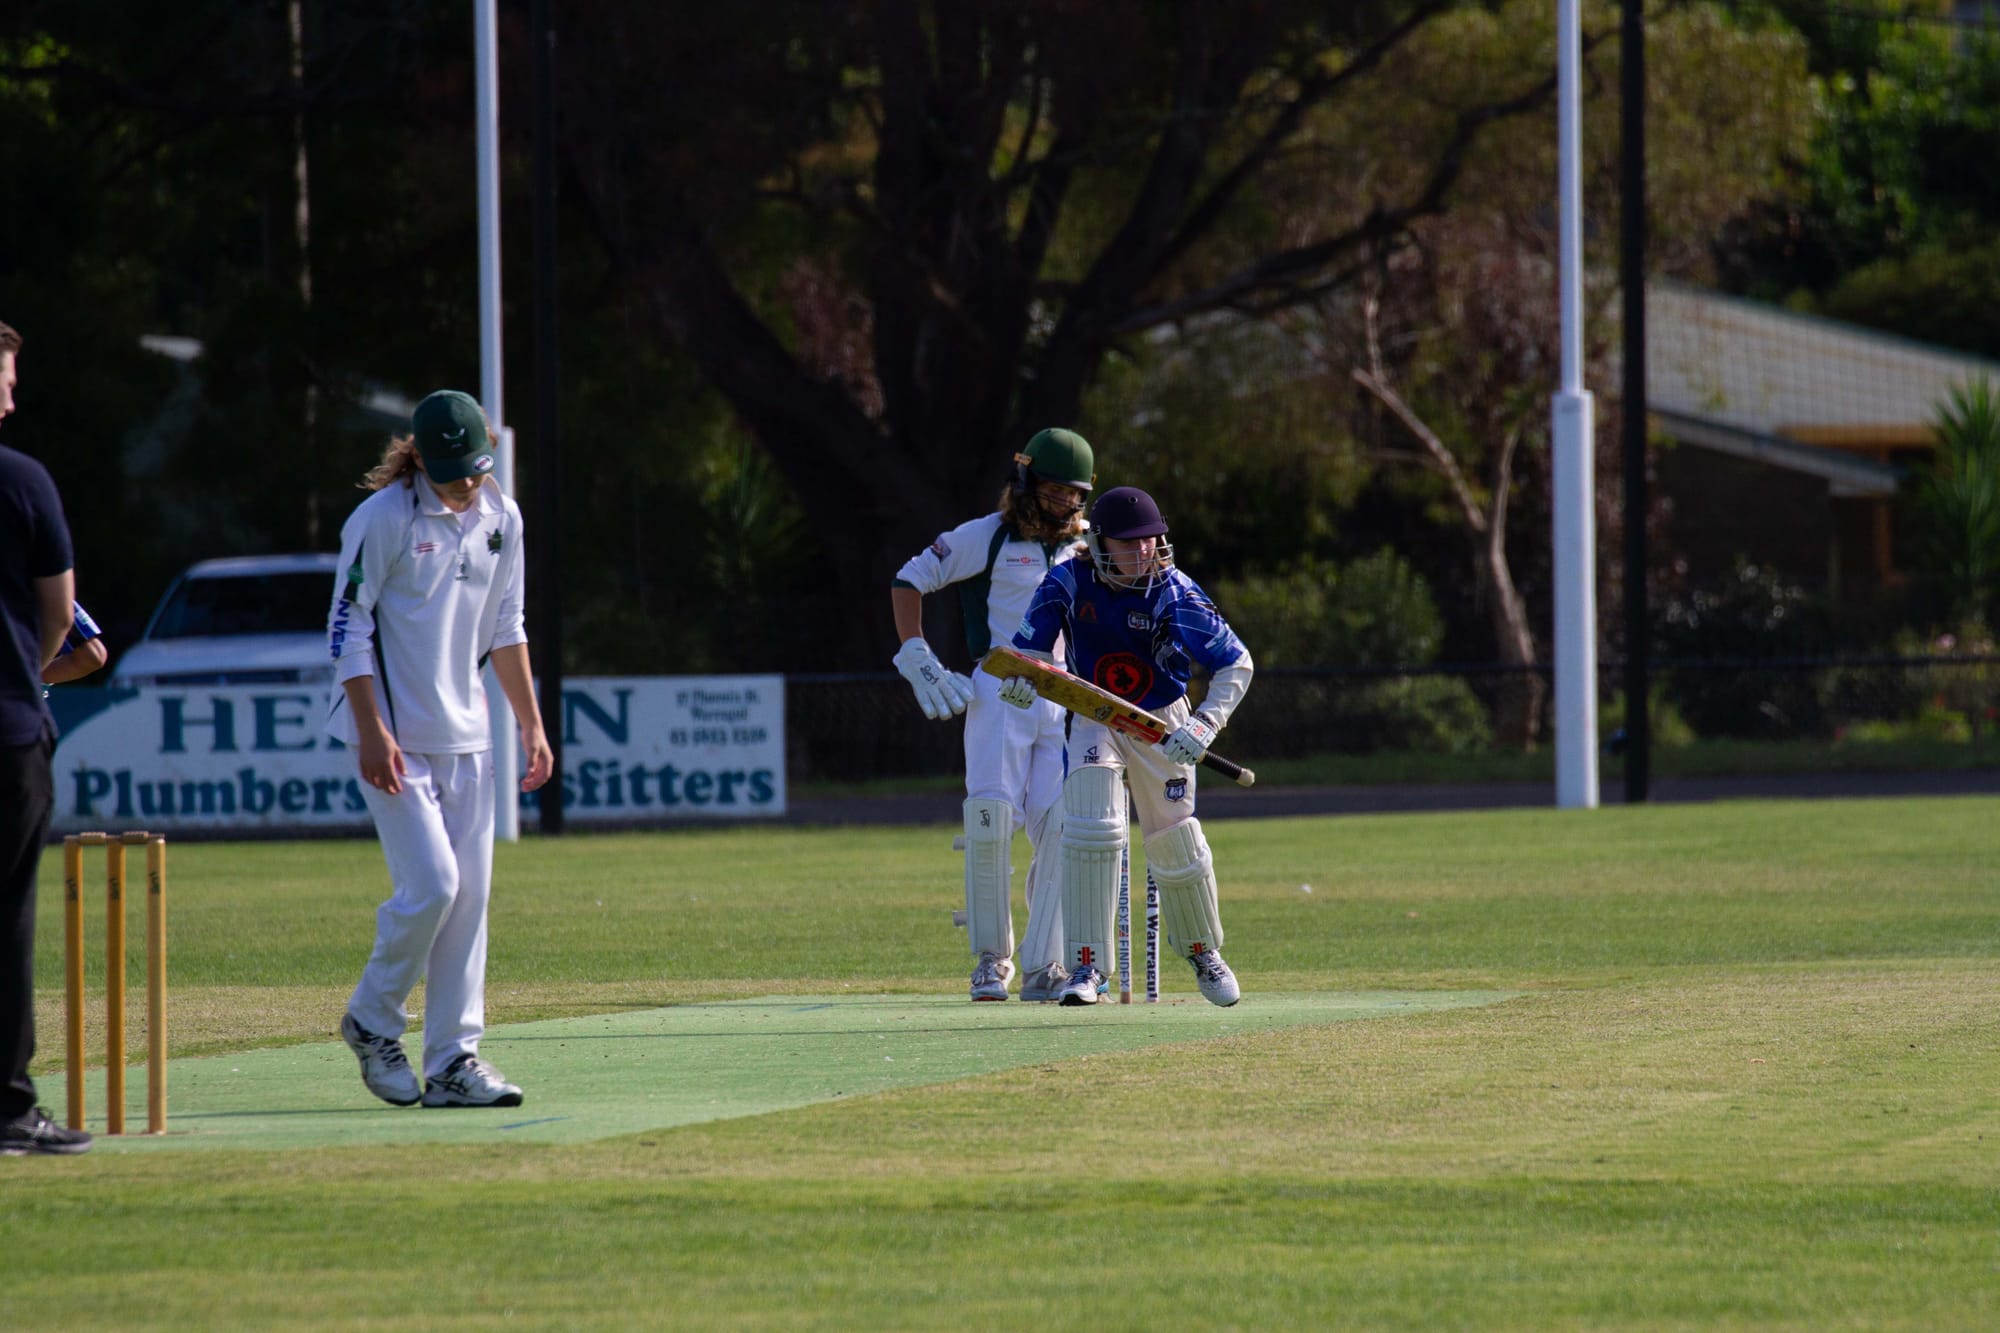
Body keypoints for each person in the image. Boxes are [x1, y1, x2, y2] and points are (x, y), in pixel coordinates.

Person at [326, 389, 554, 1109]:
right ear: (419, 457)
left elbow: (508, 625)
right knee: (432, 886)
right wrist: (371, 728)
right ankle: (371, 1019)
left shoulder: (502, 517)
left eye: (477, 470)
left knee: (469, 902)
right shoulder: (381, 519)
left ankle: (455, 1060)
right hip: (393, 737)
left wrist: (532, 723)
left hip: (468, 736)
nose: (467, 485)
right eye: (453, 472)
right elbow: (347, 629)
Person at [1002, 485, 1255, 1007]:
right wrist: (1024, 679)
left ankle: (1204, 953)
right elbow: (1028, 653)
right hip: (1094, 711)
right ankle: (1087, 967)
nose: (1144, 551)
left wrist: (1206, 723)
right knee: (1093, 824)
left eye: (1152, 540)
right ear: (1100, 542)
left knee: (1174, 841)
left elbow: (1237, 662)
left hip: (1162, 721)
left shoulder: (1175, 592)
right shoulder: (1068, 581)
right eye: (1130, 542)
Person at [891, 428, 1096, 1002]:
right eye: (1053, 491)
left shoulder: (1089, 549)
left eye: (1073, 495)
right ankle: (990, 960)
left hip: (1065, 699)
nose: (1063, 504)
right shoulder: (988, 537)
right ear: (1027, 482)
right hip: (1000, 692)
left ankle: (1046, 964)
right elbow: (908, 580)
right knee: (988, 821)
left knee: (1062, 827)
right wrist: (916, 653)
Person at [0, 319, 93, 1154]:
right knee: (7, 921)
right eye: (5, 375)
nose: (13, 391)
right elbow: (63, 615)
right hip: (6, 732)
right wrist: (25, 672)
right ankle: (8, 1107)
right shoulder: (22, 481)